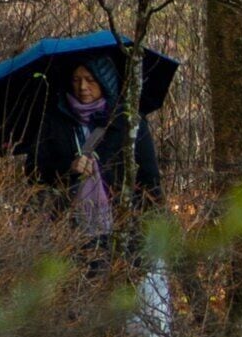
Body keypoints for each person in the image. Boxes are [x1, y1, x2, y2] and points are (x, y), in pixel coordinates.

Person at [23, 56, 158, 244]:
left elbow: (149, 179)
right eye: (76, 80)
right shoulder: (54, 121)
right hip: (65, 231)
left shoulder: (128, 123)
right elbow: (33, 169)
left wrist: (153, 230)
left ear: (105, 82)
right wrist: (68, 168)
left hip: (122, 227)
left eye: (90, 80)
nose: (83, 87)